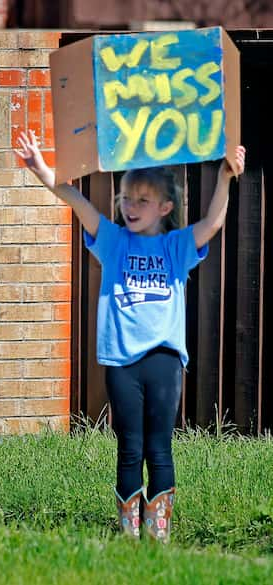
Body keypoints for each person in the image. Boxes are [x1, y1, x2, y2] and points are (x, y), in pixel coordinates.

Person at [15, 129, 245, 543]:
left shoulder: (176, 246)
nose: (131, 206)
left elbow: (212, 223)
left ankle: (157, 538)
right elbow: (75, 198)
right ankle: (128, 536)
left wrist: (226, 176)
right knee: (129, 448)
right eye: (126, 198)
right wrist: (40, 168)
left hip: (163, 360)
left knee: (159, 449)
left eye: (142, 200)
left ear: (165, 207)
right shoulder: (114, 241)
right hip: (122, 362)